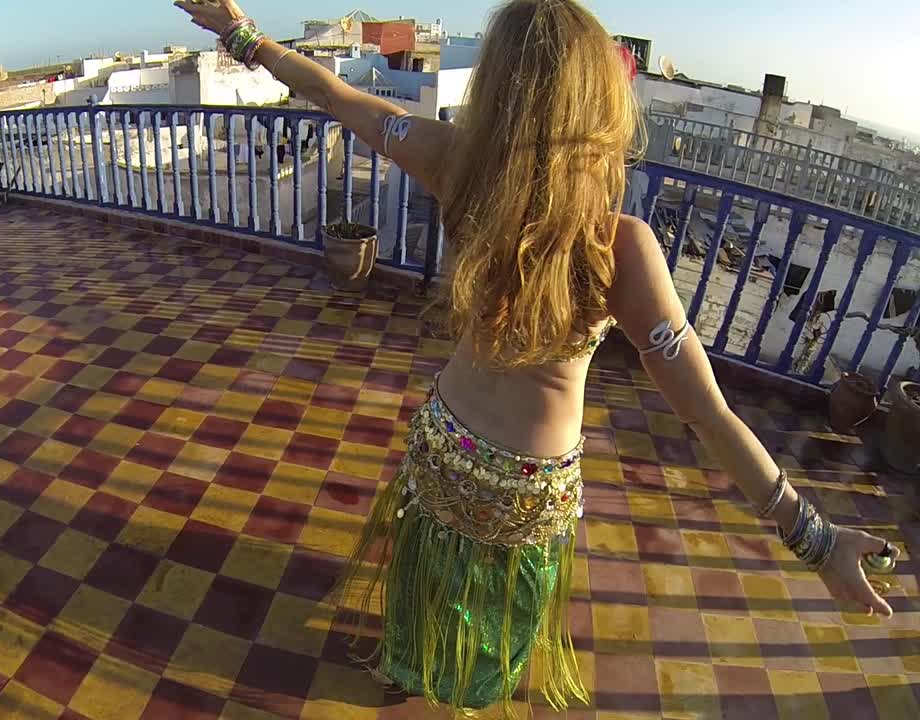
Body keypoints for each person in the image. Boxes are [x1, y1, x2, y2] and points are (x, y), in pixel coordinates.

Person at [174, 0, 896, 716]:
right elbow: (708, 414)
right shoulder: (623, 248)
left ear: (496, 91)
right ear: (602, 106)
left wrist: (243, 34)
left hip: (443, 444)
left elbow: (341, 97)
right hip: (527, 492)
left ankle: (412, 668)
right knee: (486, 631)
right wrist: (814, 537)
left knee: (429, 590)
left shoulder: (453, 163)